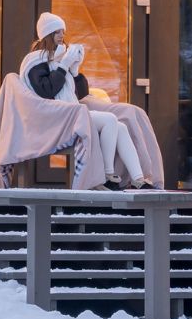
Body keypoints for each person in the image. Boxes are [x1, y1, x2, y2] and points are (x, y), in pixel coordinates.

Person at [19, 12, 156, 189]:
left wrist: (75, 71)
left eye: (63, 32)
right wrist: (63, 66)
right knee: (109, 120)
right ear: (47, 35)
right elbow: (46, 91)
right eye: (57, 32)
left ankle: (138, 180)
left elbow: (81, 95)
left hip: (70, 114)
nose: (62, 36)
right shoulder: (35, 61)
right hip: (53, 121)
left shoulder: (59, 58)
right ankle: (106, 175)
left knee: (120, 126)